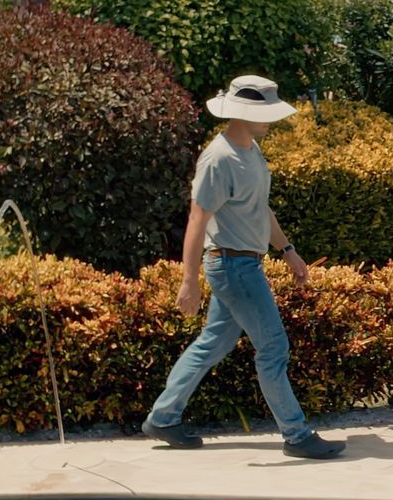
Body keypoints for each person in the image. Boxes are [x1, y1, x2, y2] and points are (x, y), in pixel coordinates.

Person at [142, 75, 346, 459]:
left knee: (213, 343)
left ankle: (163, 417)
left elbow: (259, 208)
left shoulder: (250, 149)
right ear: (240, 114)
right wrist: (189, 280)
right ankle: (297, 434)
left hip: (243, 262)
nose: (270, 119)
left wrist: (288, 250)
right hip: (232, 264)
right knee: (273, 347)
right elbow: (197, 220)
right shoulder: (219, 159)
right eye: (263, 112)